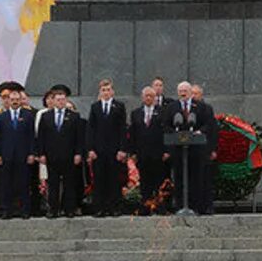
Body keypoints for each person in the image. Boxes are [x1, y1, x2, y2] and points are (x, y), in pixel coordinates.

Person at [167, 82, 217, 214]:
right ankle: (179, 206)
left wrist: (200, 132)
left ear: (190, 92)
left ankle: (196, 207)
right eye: (180, 91)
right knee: (179, 178)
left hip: (196, 151)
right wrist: (174, 133)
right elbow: (165, 125)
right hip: (178, 151)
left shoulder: (202, 107)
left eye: (185, 91)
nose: (183, 93)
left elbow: (209, 124)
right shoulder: (172, 107)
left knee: (196, 178)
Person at [38, 84, 85, 218]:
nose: (60, 102)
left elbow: (78, 137)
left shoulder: (74, 116)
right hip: (52, 156)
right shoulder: (46, 116)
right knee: (53, 184)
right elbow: (41, 136)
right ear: (53, 101)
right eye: (58, 99)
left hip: (69, 156)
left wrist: (78, 153)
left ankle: (69, 209)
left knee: (69, 184)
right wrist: (41, 153)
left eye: (63, 99)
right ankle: (53, 209)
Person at [87, 79, 129, 217]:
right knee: (99, 180)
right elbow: (91, 129)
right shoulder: (95, 107)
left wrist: (122, 149)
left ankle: (114, 207)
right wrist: (91, 149)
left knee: (114, 180)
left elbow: (123, 129)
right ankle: (99, 208)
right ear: (100, 92)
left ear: (112, 91)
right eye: (103, 90)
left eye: (108, 90)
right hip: (99, 151)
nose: (106, 92)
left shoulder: (119, 106)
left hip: (114, 150)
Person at [0, 82, 36, 219]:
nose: (15, 102)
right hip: (6, 156)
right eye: (12, 100)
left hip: (23, 156)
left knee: (23, 184)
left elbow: (31, 136)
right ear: (8, 101)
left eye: (17, 100)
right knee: (6, 185)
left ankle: (24, 210)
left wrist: (31, 153)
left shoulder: (28, 115)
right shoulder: (1, 117)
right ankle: (7, 210)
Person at [129, 86, 171, 214]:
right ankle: (146, 206)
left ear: (155, 98)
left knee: (159, 181)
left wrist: (167, 151)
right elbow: (133, 134)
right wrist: (133, 152)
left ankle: (160, 206)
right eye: (146, 96)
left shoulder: (163, 112)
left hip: (158, 154)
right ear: (142, 97)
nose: (148, 98)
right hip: (142, 154)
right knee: (145, 182)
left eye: (151, 96)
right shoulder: (136, 113)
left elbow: (167, 132)